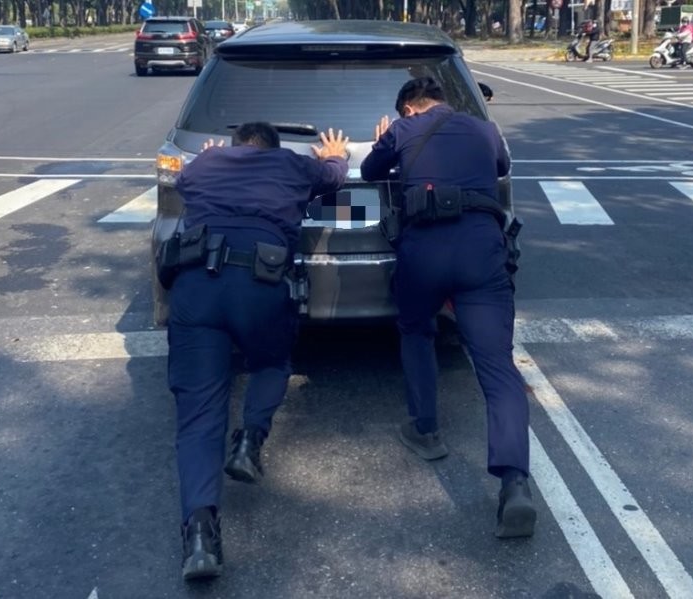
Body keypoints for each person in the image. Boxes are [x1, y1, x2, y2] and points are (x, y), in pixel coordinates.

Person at [169, 122, 349, 579]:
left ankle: (199, 538)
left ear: (232, 147)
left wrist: (207, 154)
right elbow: (334, 179)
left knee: (198, 416)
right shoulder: (289, 163)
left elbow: (182, 180)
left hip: (195, 288)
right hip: (261, 284)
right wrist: (335, 153)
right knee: (271, 362)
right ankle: (249, 440)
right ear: (271, 147)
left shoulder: (207, 163)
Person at [360, 77, 536, 538]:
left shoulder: (402, 129)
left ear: (409, 108)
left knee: (416, 330)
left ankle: (426, 429)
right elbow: (499, 167)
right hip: (482, 248)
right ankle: (515, 482)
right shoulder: (484, 128)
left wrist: (387, 138)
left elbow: (368, 173)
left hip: (424, 250)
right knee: (497, 367)